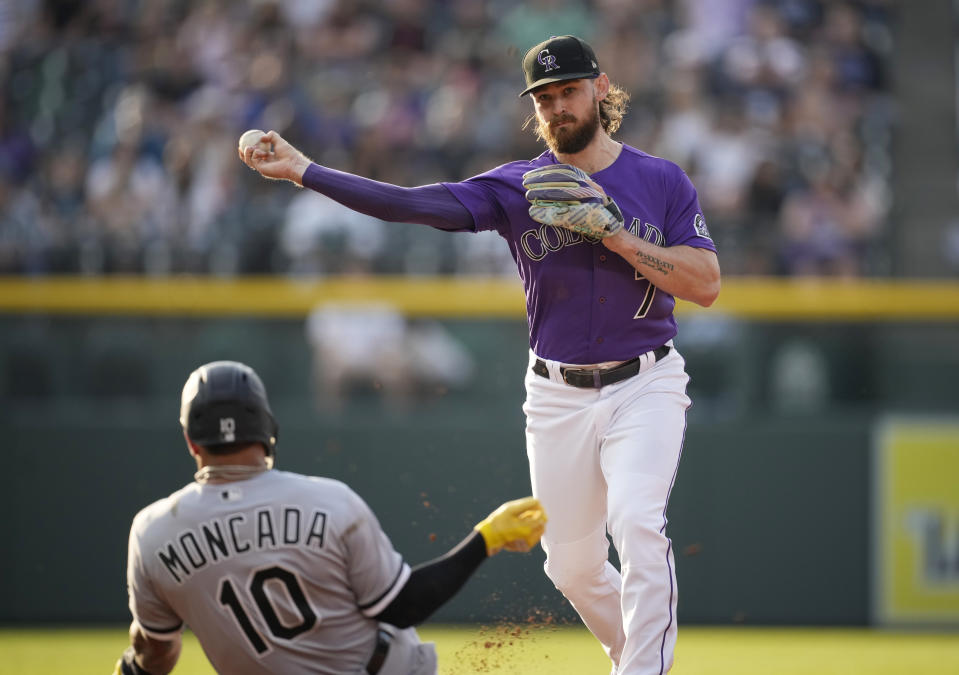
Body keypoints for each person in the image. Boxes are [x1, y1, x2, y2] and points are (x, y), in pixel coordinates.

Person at [239, 34, 721, 674]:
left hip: (645, 384)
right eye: (544, 99)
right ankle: (631, 657)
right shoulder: (516, 187)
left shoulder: (659, 180)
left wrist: (616, 234)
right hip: (556, 393)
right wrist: (304, 169)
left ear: (601, 89)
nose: (557, 108)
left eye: (569, 92)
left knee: (636, 521)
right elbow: (410, 205)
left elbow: (706, 284)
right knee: (572, 567)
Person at [114, 360, 546, 675]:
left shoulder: (153, 532)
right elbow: (401, 606)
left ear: (191, 441)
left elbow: (156, 655)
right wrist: (486, 539)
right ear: (268, 428)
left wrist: (132, 666)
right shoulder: (328, 501)